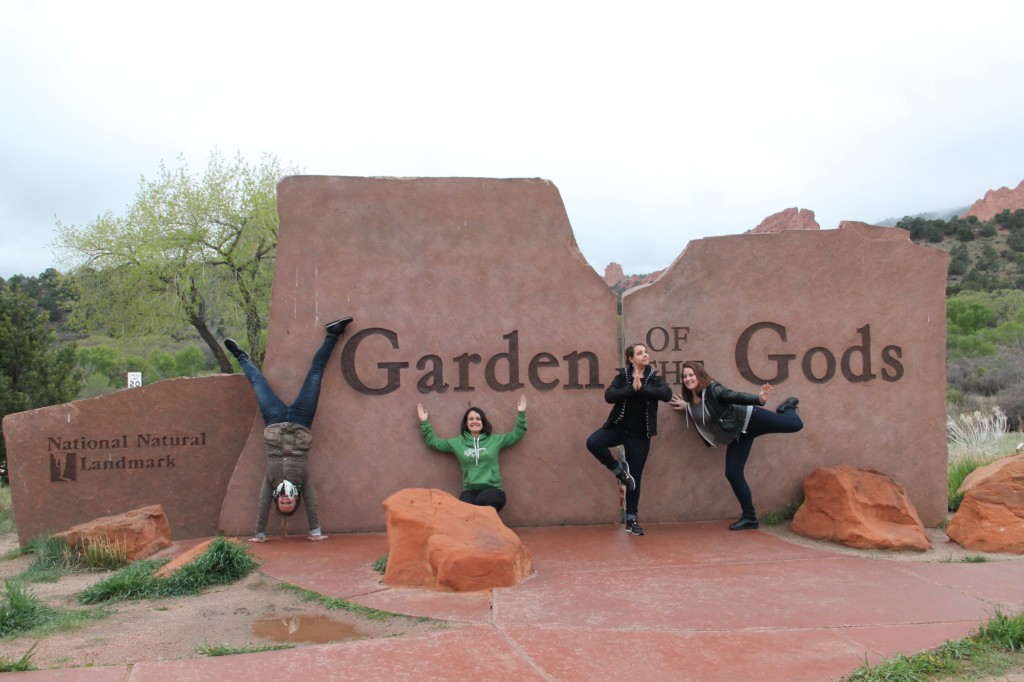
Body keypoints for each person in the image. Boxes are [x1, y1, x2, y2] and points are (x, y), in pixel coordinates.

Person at [223, 316, 352, 542]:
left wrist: (260, 534)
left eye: (282, 502)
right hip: (302, 420)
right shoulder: (302, 479)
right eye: (288, 502)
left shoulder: (271, 480)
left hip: (274, 419)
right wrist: (315, 533)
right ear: (295, 499)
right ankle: (333, 333)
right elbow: (312, 502)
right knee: (315, 374)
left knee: (258, 383)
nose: (285, 500)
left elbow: (263, 503)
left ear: (277, 499)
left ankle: (240, 356)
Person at [670, 360, 803, 531]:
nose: (688, 378)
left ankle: (787, 407)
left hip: (750, 419)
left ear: (699, 374)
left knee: (795, 425)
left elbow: (732, 396)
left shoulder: (712, 388)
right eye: (685, 376)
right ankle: (750, 518)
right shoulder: (692, 399)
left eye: (691, 374)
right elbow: (703, 411)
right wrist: (686, 406)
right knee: (732, 472)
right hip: (739, 435)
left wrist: (759, 399)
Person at [586, 343, 672, 536]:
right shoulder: (622, 377)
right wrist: (630, 390)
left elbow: (666, 394)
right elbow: (609, 396)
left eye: (646, 352)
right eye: (640, 353)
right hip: (618, 429)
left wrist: (643, 389)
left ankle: (631, 519)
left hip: (640, 436)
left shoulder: (655, 378)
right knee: (593, 442)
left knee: (636, 478)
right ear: (631, 359)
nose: (645, 355)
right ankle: (619, 470)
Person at [416, 395, 527, 512]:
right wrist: (424, 422)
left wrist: (521, 413)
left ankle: (491, 528)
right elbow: (435, 443)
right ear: (466, 423)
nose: (475, 421)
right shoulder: (458, 443)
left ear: (483, 422)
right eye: (471, 419)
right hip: (470, 489)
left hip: (494, 489)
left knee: (482, 500)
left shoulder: (494, 440)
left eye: (478, 419)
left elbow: (516, 435)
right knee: (463, 508)